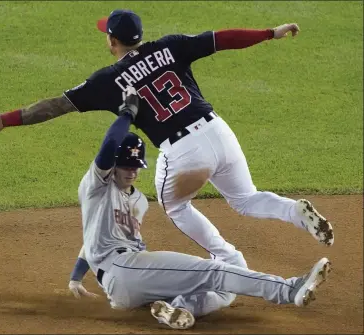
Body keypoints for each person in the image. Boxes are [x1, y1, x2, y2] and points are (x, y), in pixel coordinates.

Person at [0, 9, 334, 268]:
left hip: (183, 151)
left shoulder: (107, 80)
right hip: (218, 131)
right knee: (245, 198)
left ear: (112, 40)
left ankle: (227, 259)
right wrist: (270, 32)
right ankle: (294, 212)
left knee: (176, 206)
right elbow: (222, 39)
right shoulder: (171, 45)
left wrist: (1, 121)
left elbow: (55, 106)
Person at [67, 86, 331, 330]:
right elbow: (110, 145)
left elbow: (90, 237)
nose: (132, 172)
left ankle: (181, 308)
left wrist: (76, 278)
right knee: (214, 272)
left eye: (136, 166)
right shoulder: (97, 186)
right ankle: (289, 290)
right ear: (111, 165)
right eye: (126, 165)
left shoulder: (137, 201)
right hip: (124, 269)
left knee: (224, 291)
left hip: (130, 286)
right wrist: (127, 112)